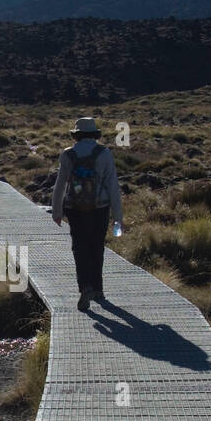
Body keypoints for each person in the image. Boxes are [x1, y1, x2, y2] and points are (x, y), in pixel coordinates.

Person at [51, 116, 124, 312]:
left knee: (79, 248)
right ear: (94, 134)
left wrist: (57, 211)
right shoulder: (104, 154)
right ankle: (98, 289)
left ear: (77, 134)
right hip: (100, 207)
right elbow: (113, 186)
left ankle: (85, 287)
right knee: (96, 247)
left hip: (74, 208)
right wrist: (118, 217)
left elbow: (60, 185)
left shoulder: (67, 155)